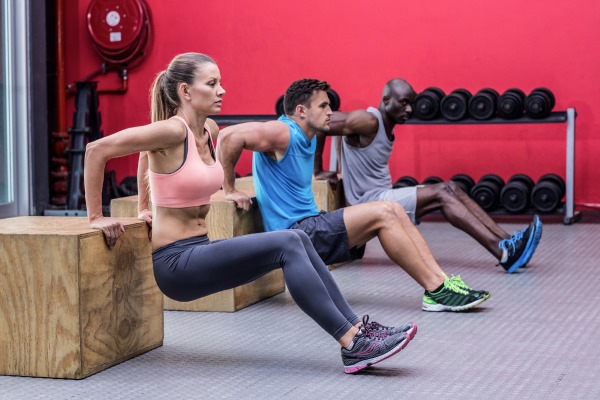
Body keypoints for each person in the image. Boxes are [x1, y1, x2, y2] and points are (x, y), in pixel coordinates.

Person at [83, 53, 417, 374]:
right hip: (176, 263)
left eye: (220, 82)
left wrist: (148, 203)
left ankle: (358, 330)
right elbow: (97, 150)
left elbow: (146, 155)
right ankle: (351, 341)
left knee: (299, 236)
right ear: (185, 91)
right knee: (287, 242)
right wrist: (98, 216)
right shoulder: (171, 130)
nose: (222, 90)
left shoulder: (209, 130)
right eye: (211, 84)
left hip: (201, 249)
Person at [217, 78, 490, 313]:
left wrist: (319, 171)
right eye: (323, 106)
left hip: (312, 225)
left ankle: (441, 283)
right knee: (384, 211)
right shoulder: (283, 131)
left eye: (329, 105)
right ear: (300, 110)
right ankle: (436, 290)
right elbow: (229, 136)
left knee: (391, 208)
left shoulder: (307, 134)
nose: (330, 112)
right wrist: (228, 188)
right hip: (295, 234)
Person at [312, 78, 543, 274]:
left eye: (412, 104)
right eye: (403, 103)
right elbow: (323, 122)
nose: (410, 110)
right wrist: (318, 169)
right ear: (385, 101)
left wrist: (340, 166)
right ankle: (503, 251)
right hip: (370, 203)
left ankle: (508, 241)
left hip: (383, 197)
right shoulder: (368, 120)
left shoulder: (384, 125)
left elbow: (341, 136)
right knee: (442, 193)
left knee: (451, 186)